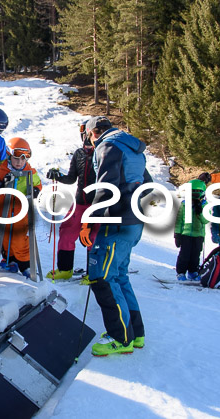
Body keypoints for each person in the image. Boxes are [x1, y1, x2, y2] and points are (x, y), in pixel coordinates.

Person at [79, 116, 152, 356]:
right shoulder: (132, 148)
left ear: (93, 133)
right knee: (120, 276)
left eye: (89, 136)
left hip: (116, 222)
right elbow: (148, 184)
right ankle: (135, 333)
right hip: (133, 221)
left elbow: (105, 189)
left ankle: (120, 338)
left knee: (102, 277)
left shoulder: (108, 146)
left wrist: (89, 222)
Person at [45, 121, 98, 280]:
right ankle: (65, 269)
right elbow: (71, 178)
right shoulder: (79, 153)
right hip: (80, 202)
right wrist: (58, 177)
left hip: (97, 203)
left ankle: (93, 273)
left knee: (93, 237)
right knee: (67, 232)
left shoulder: (103, 153)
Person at [0, 137, 42, 278]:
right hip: (4, 210)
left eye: (22, 159)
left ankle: (25, 265)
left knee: (19, 239)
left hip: (21, 211)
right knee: (5, 238)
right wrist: (1, 186)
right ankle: (9, 259)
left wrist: (36, 190)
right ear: (9, 156)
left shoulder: (30, 171)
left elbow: (37, 183)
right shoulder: (1, 170)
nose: (19, 163)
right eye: (16, 159)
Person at [174, 179, 209, 281]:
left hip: (198, 235)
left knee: (195, 255)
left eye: (197, 193)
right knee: (184, 254)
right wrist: (177, 234)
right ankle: (181, 272)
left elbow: (205, 220)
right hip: (186, 234)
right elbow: (179, 220)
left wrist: (201, 210)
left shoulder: (204, 205)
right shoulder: (184, 204)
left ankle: (193, 271)